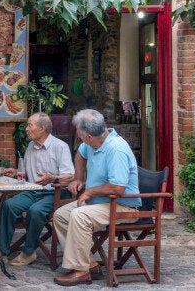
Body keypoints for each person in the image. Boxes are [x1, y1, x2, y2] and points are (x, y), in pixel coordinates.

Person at [53, 109, 141, 286]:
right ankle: (90, 264)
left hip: (123, 206)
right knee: (61, 215)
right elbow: (80, 155)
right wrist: (79, 178)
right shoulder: (92, 143)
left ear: (88, 136)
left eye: (79, 133)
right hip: (100, 204)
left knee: (79, 215)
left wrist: (90, 191)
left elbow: (118, 188)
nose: (78, 136)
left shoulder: (116, 149)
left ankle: (81, 271)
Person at [0, 112, 75, 266]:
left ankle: (29, 252)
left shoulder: (60, 147)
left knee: (35, 210)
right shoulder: (31, 146)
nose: (26, 128)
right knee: (8, 205)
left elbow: (70, 176)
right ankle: (1, 251)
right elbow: (30, 175)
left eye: (30, 125)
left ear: (42, 128)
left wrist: (54, 178)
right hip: (33, 191)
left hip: (55, 192)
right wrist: (17, 173)